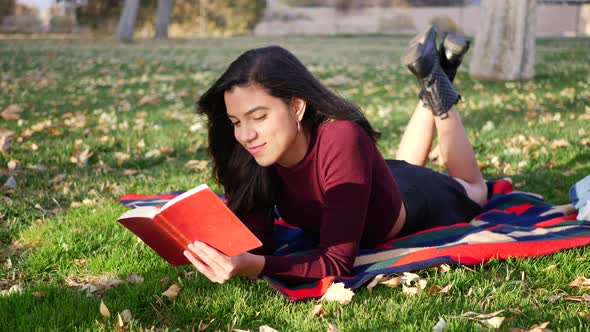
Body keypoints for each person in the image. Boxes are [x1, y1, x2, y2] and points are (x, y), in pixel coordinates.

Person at [184, 26, 488, 285]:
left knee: (475, 189)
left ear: (296, 107)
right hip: (375, 182)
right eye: (236, 122)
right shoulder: (258, 151)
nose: (245, 134)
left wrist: (256, 266)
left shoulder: (342, 138)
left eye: (259, 116)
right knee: (404, 162)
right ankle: (437, 78)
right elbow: (259, 242)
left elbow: (337, 263)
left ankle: (440, 88)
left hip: (416, 198)